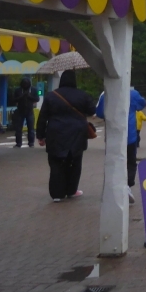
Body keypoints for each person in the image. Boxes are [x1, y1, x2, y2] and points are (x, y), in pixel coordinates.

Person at [36, 70, 96, 202]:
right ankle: (71, 190)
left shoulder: (51, 96)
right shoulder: (83, 95)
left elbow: (43, 117)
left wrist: (40, 135)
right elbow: (92, 110)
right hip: (77, 134)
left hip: (55, 133)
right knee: (75, 163)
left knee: (56, 163)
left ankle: (56, 194)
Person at [95, 86, 146, 204]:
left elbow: (100, 113)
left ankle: (113, 187)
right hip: (129, 133)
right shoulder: (132, 94)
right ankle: (127, 185)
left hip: (112, 135)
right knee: (130, 161)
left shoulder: (106, 94)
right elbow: (142, 104)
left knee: (113, 161)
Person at [12, 77, 38, 147]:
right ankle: (18, 143)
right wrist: (22, 96)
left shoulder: (33, 90)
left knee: (31, 128)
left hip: (29, 111)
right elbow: (14, 99)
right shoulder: (18, 90)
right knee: (18, 128)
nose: (25, 86)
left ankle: (31, 142)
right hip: (20, 111)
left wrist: (29, 96)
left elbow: (37, 99)